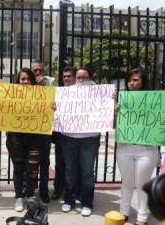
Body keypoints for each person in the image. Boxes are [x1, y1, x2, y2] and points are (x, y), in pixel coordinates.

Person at [116, 67, 165, 225]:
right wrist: (114, 112)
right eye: (129, 80)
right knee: (126, 181)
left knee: (142, 183)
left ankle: (141, 217)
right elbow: (112, 124)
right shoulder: (122, 101)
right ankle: (123, 212)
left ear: (143, 82)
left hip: (147, 150)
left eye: (135, 80)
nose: (131, 83)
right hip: (125, 148)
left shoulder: (156, 101)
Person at [60, 68, 100, 217]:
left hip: (90, 138)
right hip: (69, 137)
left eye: (85, 77)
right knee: (70, 171)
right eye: (79, 77)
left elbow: (108, 108)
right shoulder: (67, 92)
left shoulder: (98, 92)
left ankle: (87, 203)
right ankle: (69, 200)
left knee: (87, 173)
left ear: (90, 77)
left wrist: (109, 98)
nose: (81, 80)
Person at [6, 68, 43, 212]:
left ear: (33, 81)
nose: (25, 81)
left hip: (34, 138)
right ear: (18, 81)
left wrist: (51, 107)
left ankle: (30, 196)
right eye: (22, 79)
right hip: (16, 138)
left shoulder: (40, 95)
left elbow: (46, 112)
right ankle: (19, 197)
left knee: (32, 169)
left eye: (28, 79)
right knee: (18, 168)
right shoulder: (10, 95)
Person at [50, 65, 77, 201]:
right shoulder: (58, 92)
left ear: (75, 77)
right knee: (60, 163)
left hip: (77, 134)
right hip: (61, 133)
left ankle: (73, 190)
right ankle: (58, 188)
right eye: (64, 76)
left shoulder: (83, 92)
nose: (66, 78)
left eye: (69, 76)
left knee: (74, 164)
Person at [31, 61, 54, 203]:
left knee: (44, 163)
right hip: (28, 131)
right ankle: (29, 190)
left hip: (44, 131)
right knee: (30, 163)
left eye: (39, 70)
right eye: (35, 70)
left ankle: (44, 191)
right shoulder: (24, 87)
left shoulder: (50, 86)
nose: (37, 73)